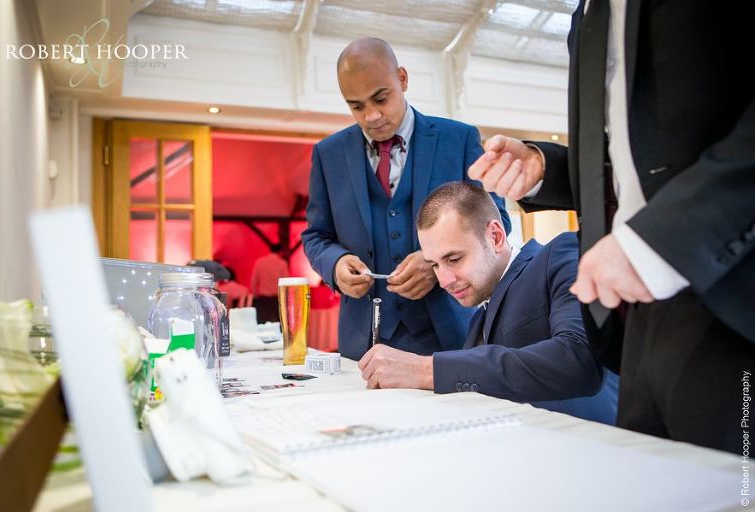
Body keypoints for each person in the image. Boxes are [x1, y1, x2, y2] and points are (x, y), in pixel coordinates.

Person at [467, 0, 754, 453]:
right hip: (634, 319)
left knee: (739, 489)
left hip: (732, 291)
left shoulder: (551, 260)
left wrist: (658, 240)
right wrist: (546, 167)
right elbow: (633, 157)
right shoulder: (589, 16)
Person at [302, 37, 511, 360]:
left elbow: (497, 223)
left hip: (453, 335)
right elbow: (316, 235)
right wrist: (335, 264)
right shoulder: (328, 155)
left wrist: (434, 261)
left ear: (402, 79)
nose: (371, 116)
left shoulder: (459, 139)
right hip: (363, 343)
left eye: (380, 98)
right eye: (356, 106)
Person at [359, 182, 618, 423]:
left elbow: (577, 358)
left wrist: (426, 369)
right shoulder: (476, 325)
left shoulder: (558, 255)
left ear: (495, 236)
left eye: (454, 259)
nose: (444, 280)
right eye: (434, 265)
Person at [250, 243, 289, 322]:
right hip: (277, 299)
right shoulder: (282, 263)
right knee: (277, 325)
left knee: (263, 323)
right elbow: (286, 282)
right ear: (280, 252)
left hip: (263, 299)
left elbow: (254, 281)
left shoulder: (260, 262)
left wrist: (255, 296)